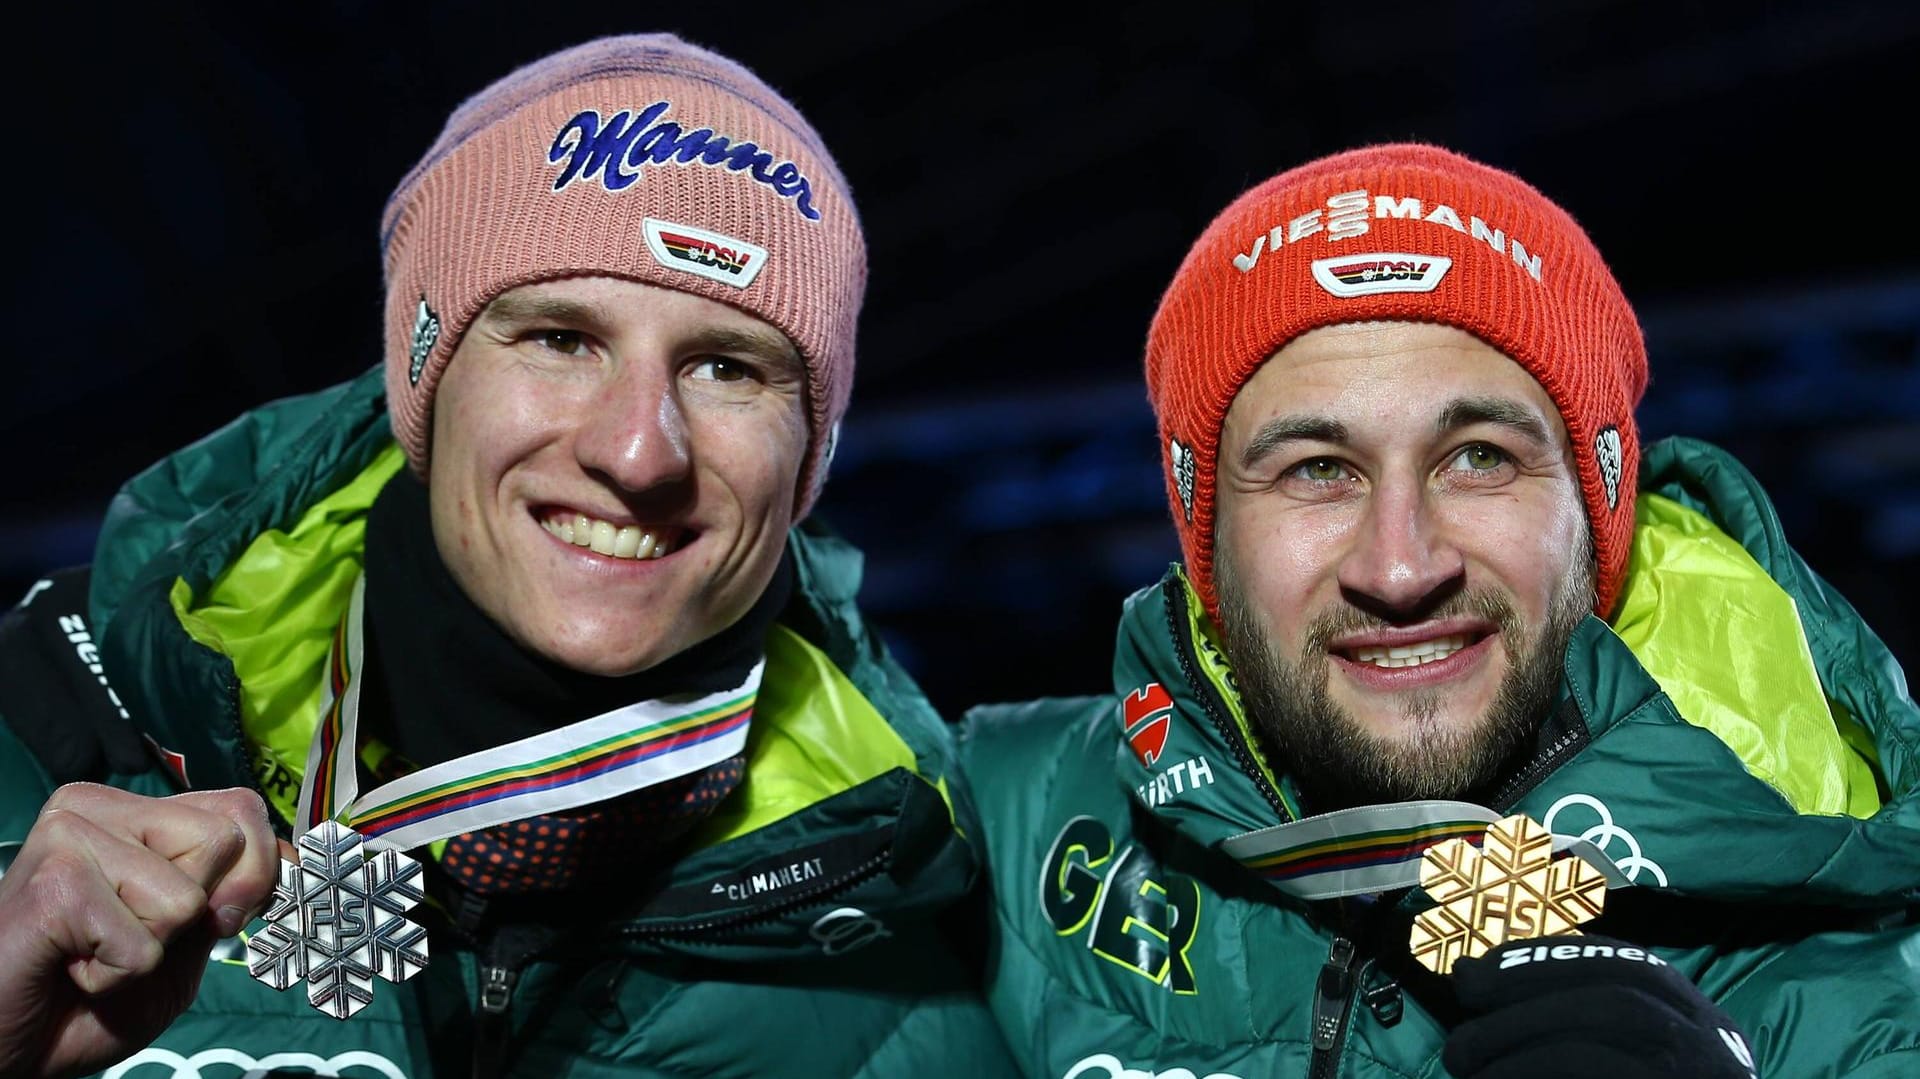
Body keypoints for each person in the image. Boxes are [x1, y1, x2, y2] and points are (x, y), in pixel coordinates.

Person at [0, 33, 1015, 1079]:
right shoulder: (41, 744)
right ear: (425, 382)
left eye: (726, 366)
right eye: (560, 339)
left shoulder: (931, 955)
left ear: (812, 450)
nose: (636, 450)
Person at [958, 143, 1920, 1078]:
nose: (1402, 564)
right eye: (1318, 470)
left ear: (1602, 505)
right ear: (1205, 542)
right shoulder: (991, 830)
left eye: (1481, 457)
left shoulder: (1872, 981)